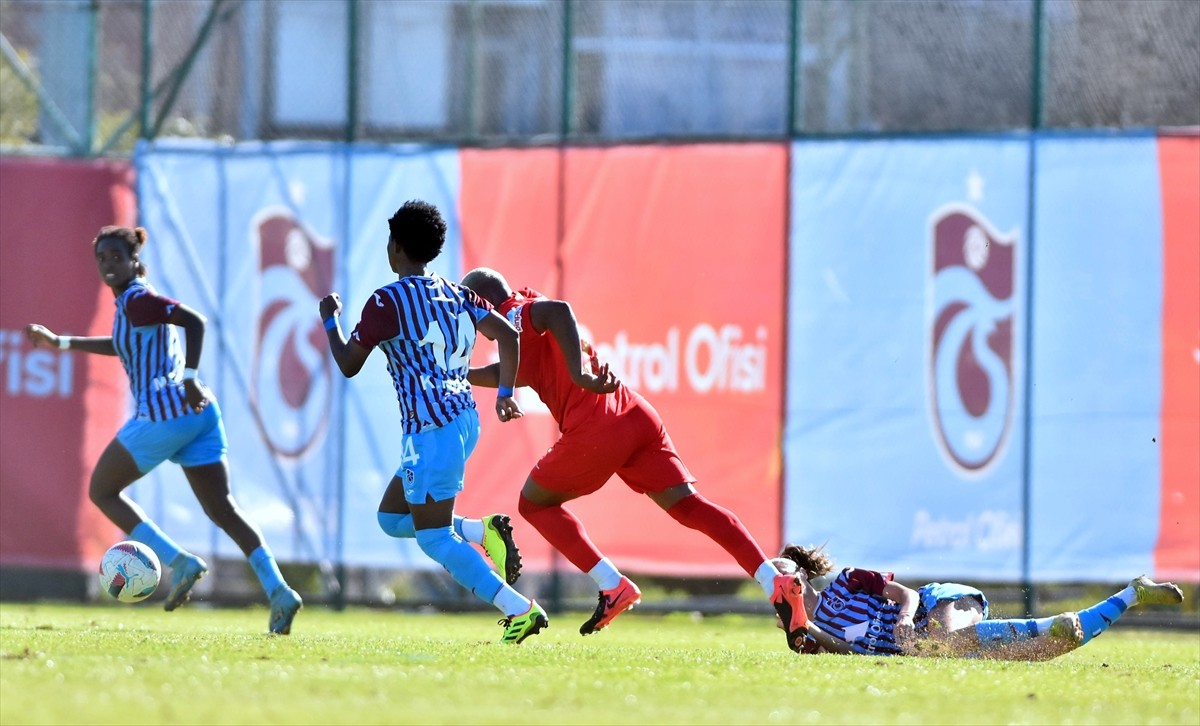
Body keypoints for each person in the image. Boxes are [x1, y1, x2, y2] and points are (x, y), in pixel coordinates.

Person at [458, 267, 810, 651]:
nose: (474, 327)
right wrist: (459, 373)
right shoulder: (522, 317)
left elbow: (558, 311)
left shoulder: (512, 315)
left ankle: (612, 584)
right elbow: (515, 369)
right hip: (633, 414)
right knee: (689, 506)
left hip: (595, 428)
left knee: (534, 503)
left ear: (481, 304)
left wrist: (579, 375)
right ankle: (773, 581)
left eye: (471, 315)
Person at [25, 225, 303, 634]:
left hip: (165, 413)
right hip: (198, 416)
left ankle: (180, 562)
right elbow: (121, 345)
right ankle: (279, 590)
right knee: (223, 509)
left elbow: (195, 321)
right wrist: (60, 342)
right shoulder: (133, 303)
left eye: (116, 257)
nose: (108, 265)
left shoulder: (138, 299)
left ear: (134, 261)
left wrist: (189, 376)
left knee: (102, 491)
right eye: (101, 258)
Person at [318, 201, 546, 644]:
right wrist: (504, 393)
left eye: (390, 241)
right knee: (391, 517)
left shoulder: (386, 300)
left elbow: (348, 363)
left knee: (434, 539)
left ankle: (519, 609)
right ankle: (481, 530)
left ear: (397, 247)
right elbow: (508, 334)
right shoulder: (458, 293)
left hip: (431, 431)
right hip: (462, 421)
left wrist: (330, 320)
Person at [773, 543, 1185, 660]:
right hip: (928, 650)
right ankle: (1134, 593)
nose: (780, 585)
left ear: (802, 575)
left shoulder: (847, 581)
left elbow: (907, 594)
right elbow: (848, 653)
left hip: (936, 603)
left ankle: (1049, 621)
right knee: (1049, 649)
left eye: (784, 575)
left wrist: (904, 618)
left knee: (943, 640)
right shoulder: (806, 635)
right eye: (772, 584)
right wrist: (805, 627)